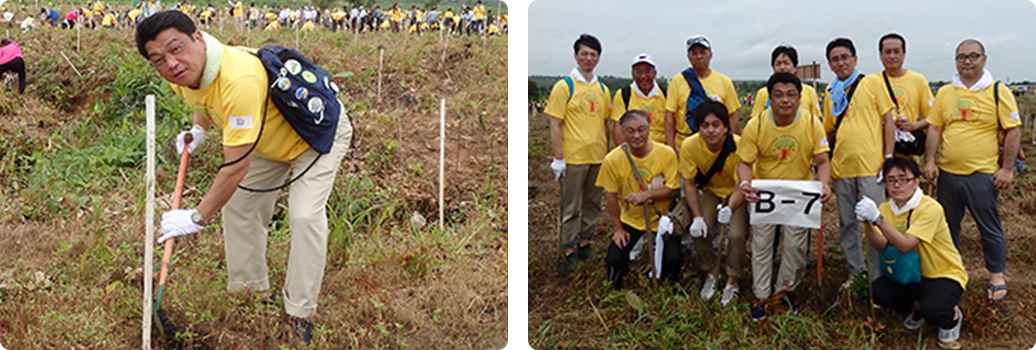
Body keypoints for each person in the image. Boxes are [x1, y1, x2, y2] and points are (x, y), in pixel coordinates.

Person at [135, 10, 353, 345]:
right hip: (267, 138)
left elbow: (235, 167)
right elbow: (201, 97)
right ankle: (253, 295)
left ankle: (298, 313)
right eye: (158, 59)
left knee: (304, 215)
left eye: (175, 48)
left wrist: (195, 216)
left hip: (314, 136)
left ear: (197, 37)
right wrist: (199, 128)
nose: (171, 63)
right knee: (239, 206)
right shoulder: (184, 72)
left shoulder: (239, 80)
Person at [922, 38, 1020, 303]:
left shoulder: (998, 91)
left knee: (989, 227)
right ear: (955, 61)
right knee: (947, 226)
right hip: (948, 174)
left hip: (983, 175)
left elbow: (1013, 130)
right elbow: (935, 127)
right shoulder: (945, 92)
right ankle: (951, 271)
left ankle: (996, 275)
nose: (967, 61)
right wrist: (929, 161)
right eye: (961, 57)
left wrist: (1007, 169)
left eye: (973, 56)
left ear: (984, 59)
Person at [738, 72, 832, 321]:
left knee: (795, 246)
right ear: (769, 98)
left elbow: (822, 161)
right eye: (778, 95)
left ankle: (782, 293)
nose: (785, 100)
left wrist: (823, 185)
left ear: (800, 98)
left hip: (798, 193)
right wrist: (745, 183)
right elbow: (745, 163)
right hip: (765, 193)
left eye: (791, 94)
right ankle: (760, 296)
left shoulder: (812, 123)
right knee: (761, 244)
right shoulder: (756, 124)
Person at [855, 157, 966, 348]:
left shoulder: (930, 208)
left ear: (916, 182)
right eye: (891, 180)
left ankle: (952, 317)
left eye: (903, 179)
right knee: (878, 291)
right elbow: (880, 245)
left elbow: (905, 245)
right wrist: (868, 222)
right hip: (910, 274)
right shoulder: (885, 208)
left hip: (942, 273)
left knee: (935, 309)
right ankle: (918, 307)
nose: (897, 185)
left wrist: (878, 219)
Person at [821, 37, 895, 288]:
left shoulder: (873, 82)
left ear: (855, 59)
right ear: (829, 64)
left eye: (845, 57)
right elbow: (828, 133)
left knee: (875, 221)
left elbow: (889, 120)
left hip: (871, 168)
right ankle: (856, 270)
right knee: (847, 223)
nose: (840, 62)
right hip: (842, 169)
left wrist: (889, 158)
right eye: (835, 59)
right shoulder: (830, 93)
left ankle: (879, 275)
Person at [545, 34, 611, 276]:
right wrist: (558, 157)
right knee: (571, 206)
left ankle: (585, 242)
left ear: (598, 58)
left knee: (593, 204)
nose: (588, 58)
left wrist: (608, 152)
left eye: (593, 54)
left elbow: (605, 124)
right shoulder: (564, 86)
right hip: (573, 158)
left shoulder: (603, 89)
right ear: (575, 55)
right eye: (584, 53)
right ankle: (569, 249)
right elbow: (555, 123)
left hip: (598, 157)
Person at [600, 110, 680, 289]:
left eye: (641, 129)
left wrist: (647, 195)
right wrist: (617, 229)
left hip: (662, 220)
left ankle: (668, 287)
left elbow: (673, 189)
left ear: (649, 129)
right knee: (614, 262)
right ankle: (621, 289)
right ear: (622, 132)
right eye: (630, 131)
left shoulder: (666, 153)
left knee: (673, 260)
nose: (637, 135)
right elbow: (611, 197)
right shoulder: (612, 160)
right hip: (632, 220)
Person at [680, 100, 749, 306]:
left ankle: (733, 279)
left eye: (716, 124)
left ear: (726, 126)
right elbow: (690, 184)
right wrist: (698, 217)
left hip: (736, 193)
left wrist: (730, 208)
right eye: (704, 125)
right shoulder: (689, 146)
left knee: (736, 234)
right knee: (700, 230)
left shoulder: (739, 145)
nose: (710, 130)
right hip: (711, 191)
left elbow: (740, 186)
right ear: (698, 127)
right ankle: (711, 271)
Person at [665, 35, 742, 152]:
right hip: (684, 145)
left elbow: (732, 116)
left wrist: (734, 146)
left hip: (716, 146)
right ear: (689, 57)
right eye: (694, 53)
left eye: (703, 52)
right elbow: (670, 115)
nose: (699, 56)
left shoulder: (724, 81)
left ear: (710, 55)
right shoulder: (677, 81)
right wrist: (671, 148)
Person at [876, 33, 936, 163]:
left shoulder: (917, 80)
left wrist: (914, 126)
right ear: (880, 55)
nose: (892, 56)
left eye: (896, 51)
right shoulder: (871, 81)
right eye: (887, 52)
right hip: (877, 156)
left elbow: (934, 118)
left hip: (907, 155)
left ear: (904, 53)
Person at [749, 45, 822, 119]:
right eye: (778, 64)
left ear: (795, 68)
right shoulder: (763, 93)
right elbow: (756, 121)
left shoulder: (809, 92)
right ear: (773, 68)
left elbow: (816, 119)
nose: (782, 67)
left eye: (786, 63)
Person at [610, 53, 666, 146]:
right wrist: (625, 155)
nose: (643, 76)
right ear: (633, 74)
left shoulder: (666, 95)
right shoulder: (623, 95)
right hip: (634, 150)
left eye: (647, 71)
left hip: (662, 151)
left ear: (654, 73)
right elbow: (618, 128)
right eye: (638, 72)